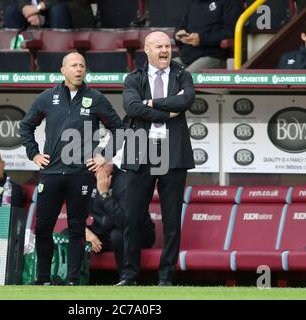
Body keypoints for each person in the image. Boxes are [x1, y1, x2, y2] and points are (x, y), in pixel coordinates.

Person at [20, 52, 124, 285]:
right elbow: (26, 126)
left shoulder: (95, 98)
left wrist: (103, 156)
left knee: (77, 227)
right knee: (44, 227)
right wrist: (34, 154)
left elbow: (119, 128)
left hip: (81, 175)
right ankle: (42, 279)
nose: (79, 69)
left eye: (82, 66)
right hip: (51, 173)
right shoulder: (47, 97)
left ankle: (73, 281)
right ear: (63, 70)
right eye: (74, 65)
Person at [117, 31, 195, 286]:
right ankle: (129, 275)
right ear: (146, 50)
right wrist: (167, 112)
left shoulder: (182, 74)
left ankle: (166, 278)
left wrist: (151, 103)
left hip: (173, 154)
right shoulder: (133, 78)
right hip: (141, 152)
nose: (165, 50)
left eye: (167, 46)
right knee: (132, 218)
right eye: (159, 46)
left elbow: (186, 100)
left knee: (172, 221)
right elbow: (132, 107)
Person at [86, 161, 155, 278]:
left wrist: (104, 194)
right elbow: (76, 214)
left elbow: (124, 221)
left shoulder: (126, 181)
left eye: (103, 163)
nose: (99, 168)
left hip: (138, 233)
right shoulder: (87, 181)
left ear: (110, 162)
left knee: (117, 235)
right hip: (105, 233)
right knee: (70, 234)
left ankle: (127, 280)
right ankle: (73, 281)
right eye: (95, 164)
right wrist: (86, 232)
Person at [174, 0, 242, 72]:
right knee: (162, 70)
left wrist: (202, 39)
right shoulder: (193, 3)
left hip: (212, 55)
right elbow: (181, 24)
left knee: (185, 78)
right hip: (186, 57)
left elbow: (231, 31)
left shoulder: (229, 2)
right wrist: (179, 34)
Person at [4, 0, 95, 29]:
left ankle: (59, 57)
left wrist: (38, 8)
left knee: (58, 10)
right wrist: (26, 9)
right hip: (38, 11)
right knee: (12, 11)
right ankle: (16, 59)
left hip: (68, 10)